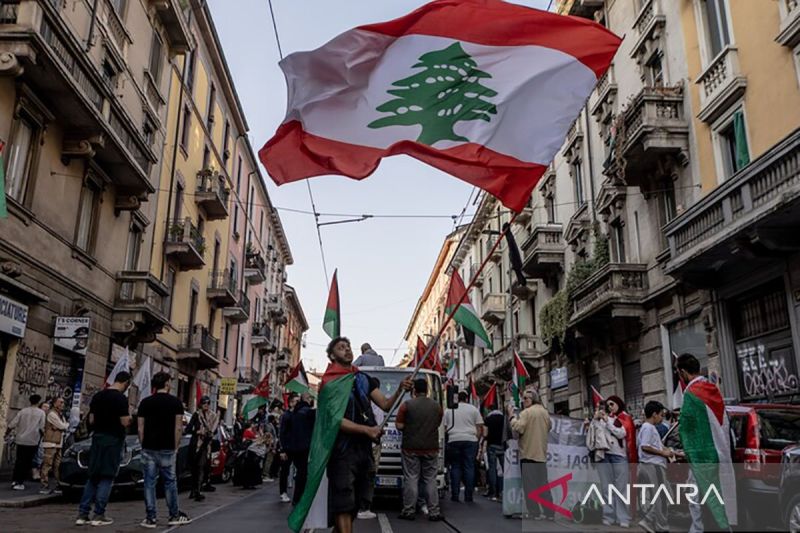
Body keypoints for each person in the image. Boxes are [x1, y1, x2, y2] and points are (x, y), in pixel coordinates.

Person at [325, 336, 412, 533]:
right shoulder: (330, 383)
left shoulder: (363, 379)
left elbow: (386, 404)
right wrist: (367, 430)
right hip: (341, 449)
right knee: (343, 501)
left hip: (363, 450)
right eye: (341, 348)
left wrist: (400, 389)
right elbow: (336, 420)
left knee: (356, 502)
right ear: (332, 355)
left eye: (348, 346)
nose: (347, 350)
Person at [676, 353, 736, 532]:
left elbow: (685, 429)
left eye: (679, 373)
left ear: (684, 372)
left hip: (702, 458)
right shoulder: (713, 389)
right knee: (721, 498)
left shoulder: (690, 394)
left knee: (698, 500)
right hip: (722, 454)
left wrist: (686, 451)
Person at [75, 372, 132, 527]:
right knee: (106, 477)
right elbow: (125, 421)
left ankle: (82, 514)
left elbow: (91, 419)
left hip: (97, 438)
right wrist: (129, 419)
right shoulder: (121, 398)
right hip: (113, 440)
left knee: (93, 476)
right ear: (126, 382)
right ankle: (99, 514)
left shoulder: (98, 396)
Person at [137, 371, 191, 528]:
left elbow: (140, 428)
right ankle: (173, 515)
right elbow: (178, 428)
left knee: (149, 483)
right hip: (167, 447)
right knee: (170, 482)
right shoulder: (175, 403)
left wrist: (143, 444)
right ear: (167, 384)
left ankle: (150, 518)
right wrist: (175, 447)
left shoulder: (145, 403)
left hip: (148, 447)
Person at [396, 378, 444, 521]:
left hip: (410, 448)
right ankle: (434, 511)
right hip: (431, 447)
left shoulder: (406, 405)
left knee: (411, 478)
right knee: (430, 479)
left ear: (414, 390)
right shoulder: (437, 406)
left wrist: (410, 427)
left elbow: (399, 426)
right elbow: (438, 422)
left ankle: (409, 510)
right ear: (427, 390)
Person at [508, 389, 554, 521]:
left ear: (533, 399)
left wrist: (511, 417)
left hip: (528, 453)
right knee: (543, 485)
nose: (523, 400)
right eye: (523, 398)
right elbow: (549, 427)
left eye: (526, 398)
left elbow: (519, 427)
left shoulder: (526, 412)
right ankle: (549, 512)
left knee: (530, 486)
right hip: (541, 453)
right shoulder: (545, 412)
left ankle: (534, 512)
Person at [593, 395, 632, 528]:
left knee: (621, 488)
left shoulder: (621, 418)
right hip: (604, 455)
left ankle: (623, 517)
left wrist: (608, 421)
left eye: (611, 404)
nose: (609, 407)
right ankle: (608, 516)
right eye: (606, 405)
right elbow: (593, 434)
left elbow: (622, 433)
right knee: (606, 488)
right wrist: (596, 419)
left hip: (619, 455)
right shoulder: (599, 420)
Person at [637, 400, 674, 533]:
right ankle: (661, 527)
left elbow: (653, 445)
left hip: (653, 465)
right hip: (653, 465)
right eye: (661, 415)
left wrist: (668, 451)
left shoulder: (647, 428)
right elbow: (645, 446)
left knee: (666, 496)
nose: (662, 417)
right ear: (654, 414)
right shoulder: (648, 428)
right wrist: (663, 453)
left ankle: (649, 520)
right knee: (663, 497)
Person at [444, 391, 484, 503]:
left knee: (455, 466)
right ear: (467, 398)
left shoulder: (449, 410)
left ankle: (455, 495)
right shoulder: (473, 409)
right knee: (469, 467)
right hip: (470, 440)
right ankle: (469, 496)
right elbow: (479, 427)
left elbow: (445, 427)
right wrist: (477, 439)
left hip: (454, 440)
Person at [281, 391, 315, 505]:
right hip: (301, 447)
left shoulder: (294, 413)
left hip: (292, 446)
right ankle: (292, 495)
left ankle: (294, 497)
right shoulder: (305, 413)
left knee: (296, 472)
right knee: (299, 472)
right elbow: (284, 432)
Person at [8, 394, 45, 491]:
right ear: (38, 402)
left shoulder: (23, 411)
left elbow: (13, 423)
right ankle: (20, 482)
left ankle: (15, 480)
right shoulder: (41, 413)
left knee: (19, 460)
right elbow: (42, 427)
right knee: (27, 462)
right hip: (33, 440)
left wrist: (7, 432)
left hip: (21, 439)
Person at [186, 395, 219, 502]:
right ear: (201, 404)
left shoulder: (213, 416)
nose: (206, 405)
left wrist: (211, 432)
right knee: (194, 468)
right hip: (196, 444)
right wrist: (198, 431)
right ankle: (193, 489)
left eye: (208, 403)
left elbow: (216, 430)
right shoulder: (196, 415)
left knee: (201, 467)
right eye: (204, 403)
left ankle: (198, 491)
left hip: (206, 445)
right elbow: (188, 428)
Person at [40, 397, 69, 494]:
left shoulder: (60, 415)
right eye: (60, 402)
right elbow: (63, 426)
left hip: (58, 443)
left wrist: (62, 426)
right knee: (47, 464)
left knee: (57, 465)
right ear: (54, 403)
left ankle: (58, 484)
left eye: (63, 402)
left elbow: (64, 426)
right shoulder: (52, 414)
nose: (62, 404)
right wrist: (62, 426)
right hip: (50, 443)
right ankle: (44, 486)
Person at [482, 403, 505, 501]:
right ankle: (503, 490)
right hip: (502, 446)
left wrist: (484, 441)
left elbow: (485, 433)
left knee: (492, 469)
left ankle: (494, 492)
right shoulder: (504, 418)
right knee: (505, 469)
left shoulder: (488, 419)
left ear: (490, 410)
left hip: (492, 446)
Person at [277, 393, 298, 503]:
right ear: (290, 403)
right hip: (287, 447)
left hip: (296, 447)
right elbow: (282, 433)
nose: (297, 403)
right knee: (285, 470)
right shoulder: (286, 416)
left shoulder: (298, 415)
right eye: (295, 401)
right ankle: (283, 492)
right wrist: (282, 449)